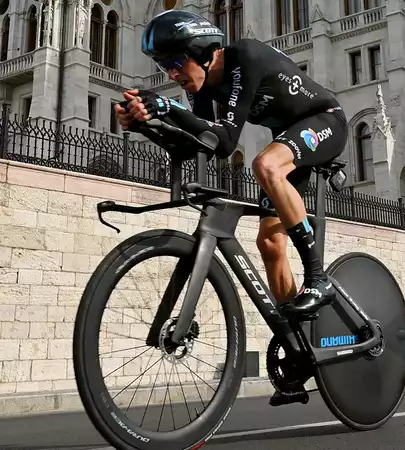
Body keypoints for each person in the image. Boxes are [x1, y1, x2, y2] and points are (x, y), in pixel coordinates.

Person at [115, 10, 346, 403]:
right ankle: (298, 349)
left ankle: (318, 278)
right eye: (163, 67)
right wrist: (145, 124)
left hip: (326, 121)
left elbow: (225, 140)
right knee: (270, 246)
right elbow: (202, 144)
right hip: (290, 139)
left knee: (265, 164)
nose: (172, 74)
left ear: (201, 51)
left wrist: (166, 108)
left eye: (174, 62)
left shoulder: (245, 58)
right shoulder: (201, 88)